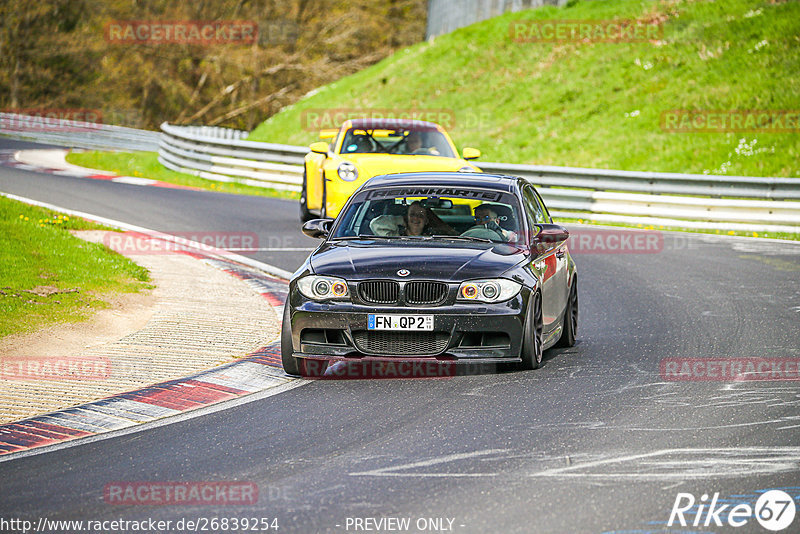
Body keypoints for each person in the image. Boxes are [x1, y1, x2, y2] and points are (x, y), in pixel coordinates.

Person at [369, 201, 456, 236]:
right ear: (406, 217)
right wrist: (401, 220)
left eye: (421, 215)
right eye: (412, 214)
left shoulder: (433, 239)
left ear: (426, 221)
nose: (415, 218)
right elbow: (375, 224)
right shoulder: (394, 236)